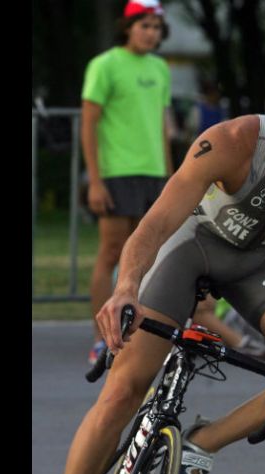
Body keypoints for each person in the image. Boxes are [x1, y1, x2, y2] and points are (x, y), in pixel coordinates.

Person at [62, 48, 265, 474]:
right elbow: (156, 223)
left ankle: (203, 442)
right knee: (121, 393)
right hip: (191, 248)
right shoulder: (234, 142)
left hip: (256, 264)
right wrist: (126, 287)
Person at [81, 0, 173, 365]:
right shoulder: (104, 65)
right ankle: (100, 339)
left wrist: (171, 177)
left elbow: (163, 127)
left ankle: (137, 336)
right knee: (111, 253)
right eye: (144, 25)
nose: (151, 33)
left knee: (147, 257)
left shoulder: (160, 68)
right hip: (117, 172)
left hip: (154, 174)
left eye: (156, 27)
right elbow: (88, 124)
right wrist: (95, 181)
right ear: (128, 26)